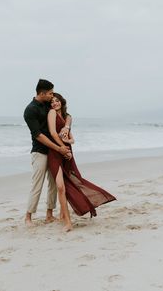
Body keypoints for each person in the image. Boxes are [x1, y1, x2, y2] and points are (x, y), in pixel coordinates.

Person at [47, 93, 116, 232]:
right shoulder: (51, 113)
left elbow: (72, 139)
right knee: (60, 186)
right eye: (52, 101)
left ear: (62, 102)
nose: (54, 103)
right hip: (56, 152)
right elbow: (53, 133)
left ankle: (63, 215)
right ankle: (67, 222)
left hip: (67, 154)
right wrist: (63, 147)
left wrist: (67, 142)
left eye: (57, 101)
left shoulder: (68, 117)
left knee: (74, 181)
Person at [24, 80, 72, 227]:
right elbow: (38, 135)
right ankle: (28, 217)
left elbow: (66, 113)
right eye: (50, 93)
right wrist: (59, 148)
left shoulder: (48, 104)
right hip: (39, 151)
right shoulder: (30, 110)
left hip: (53, 152)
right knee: (37, 184)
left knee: (53, 184)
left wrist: (66, 126)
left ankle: (49, 214)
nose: (52, 96)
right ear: (42, 93)